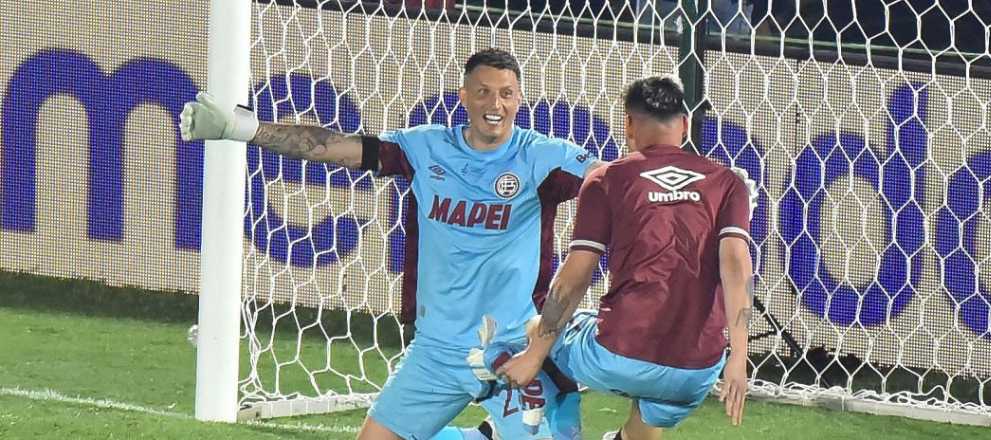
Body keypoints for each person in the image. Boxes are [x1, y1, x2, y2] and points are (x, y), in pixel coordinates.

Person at [179, 48, 597, 440]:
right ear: (464, 96)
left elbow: (615, 181)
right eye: (484, 92)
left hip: (514, 347)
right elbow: (333, 147)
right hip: (437, 349)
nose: (496, 104)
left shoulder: (543, 158)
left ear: (520, 99)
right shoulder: (425, 148)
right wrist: (241, 128)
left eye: (506, 94)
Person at [495, 74, 755, 440]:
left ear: (629, 125)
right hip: (694, 375)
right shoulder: (728, 182)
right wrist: (738, 360)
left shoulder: (606, 178)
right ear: (684, 124)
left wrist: (534, 354)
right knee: (650, 410)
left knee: (534, 327)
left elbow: (574, 277)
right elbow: (736, 266)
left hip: (616, 358)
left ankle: (552, 423)